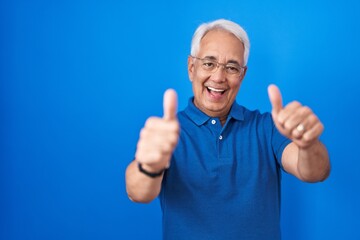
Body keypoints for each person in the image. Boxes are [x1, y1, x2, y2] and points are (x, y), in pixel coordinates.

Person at [125, 19, 330, 240]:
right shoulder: (168, 134)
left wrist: (308, 144)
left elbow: (315, 172)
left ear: (242, 75)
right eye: (209, 63)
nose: (219, 77)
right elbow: (137, 192)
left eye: (232, 67)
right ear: (191, 68)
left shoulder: (267, 127)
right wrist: (150, 166)